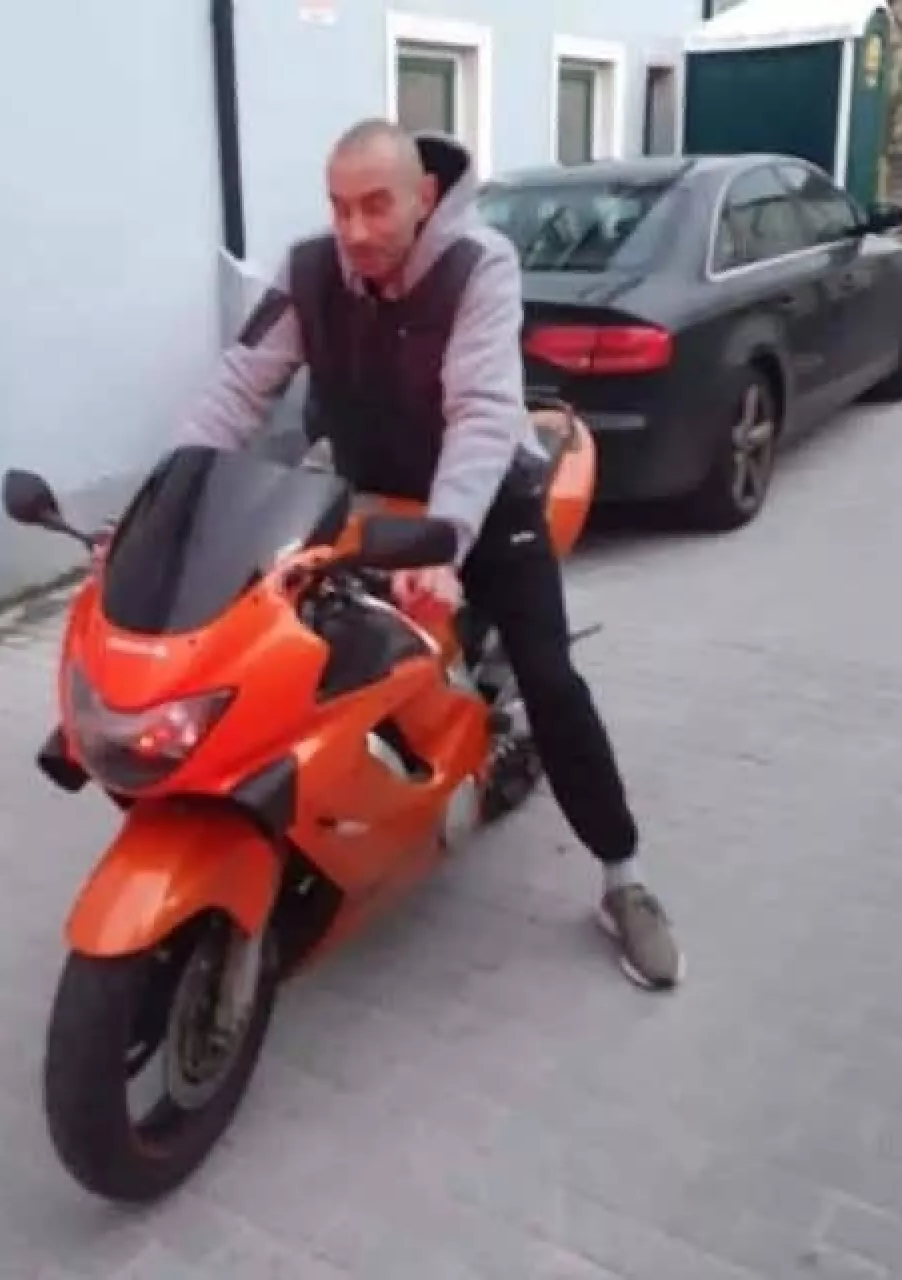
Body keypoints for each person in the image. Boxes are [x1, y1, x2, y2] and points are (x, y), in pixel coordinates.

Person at [178, 119, 683, 991]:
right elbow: (238, 387)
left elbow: (482, 413)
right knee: (279, 647)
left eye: (376, 206)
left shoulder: (477, 266)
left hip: (484, 505)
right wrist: (171, 499)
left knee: (551, 681)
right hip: (368, 498)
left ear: (425, 197)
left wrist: (447, 540)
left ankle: (622, 878)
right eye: (340, 207)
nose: (354, 230)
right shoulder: (308, 272)